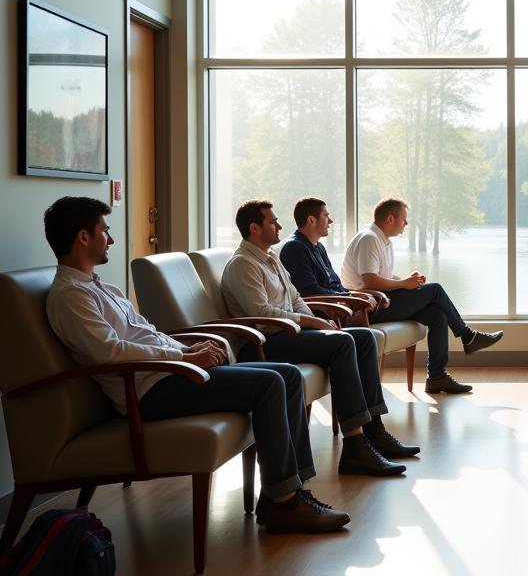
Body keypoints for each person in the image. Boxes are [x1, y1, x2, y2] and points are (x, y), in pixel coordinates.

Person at [43, 196, 349, 535]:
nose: (111, 239)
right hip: (149, 390)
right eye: (105, 231)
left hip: (169, 373)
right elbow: (111, 353)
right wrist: (184, 357)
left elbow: (148, 335)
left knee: (288, 376)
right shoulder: (70, 295)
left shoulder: (101, 287)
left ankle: (290, 493)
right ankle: (285, 503)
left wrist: (188, 345)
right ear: (83, 237)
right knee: (270, 384)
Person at [222, 199, 419, 477]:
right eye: (272, 222)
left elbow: (295, 297)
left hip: (290, 334)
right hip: (265, 344)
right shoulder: (242, 265)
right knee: (342, 342)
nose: (279, 225)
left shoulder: (271, 258)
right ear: (255, 228)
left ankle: (374, 429)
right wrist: (312, 321)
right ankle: (354, 446)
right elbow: (261, 313)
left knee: (363, 338)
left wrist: (321, 323)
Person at [339, 197, 502, 395]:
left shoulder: (383, 241)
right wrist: (403, 284)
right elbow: (369, 280)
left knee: (437, 315)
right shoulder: (369, 239)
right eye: (404, 219)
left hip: (382, 301)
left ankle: (436, 377)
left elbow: (384, 276)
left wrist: (409, 281)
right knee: (435, 290)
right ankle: (468, 336)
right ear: (390, 219)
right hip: (368, 308)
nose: (406, 223)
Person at [279, 196, 388, 312]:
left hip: (340, 304)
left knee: (385, 300)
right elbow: (310, 290)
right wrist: (351, 298)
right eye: (326, 216)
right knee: (403, 299)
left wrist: (358, 295)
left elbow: (335, 283)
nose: (330, 221)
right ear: (312, 220)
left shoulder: (319, 247)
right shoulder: (294, 248)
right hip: (327, 311)